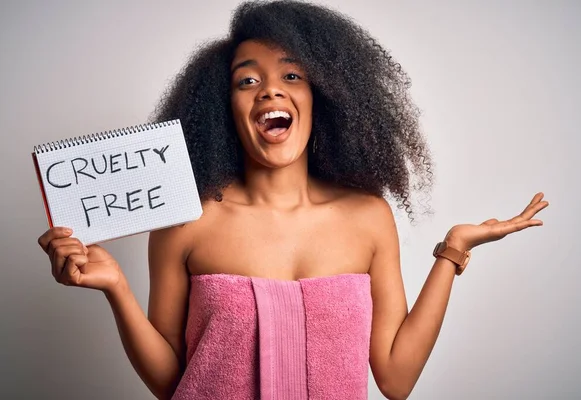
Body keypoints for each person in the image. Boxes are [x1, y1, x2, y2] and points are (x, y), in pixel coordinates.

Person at [37, 1, 549, 399]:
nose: (269, 91)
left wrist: (454, 250)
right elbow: (174, 383)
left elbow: (395, 378)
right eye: (247, 80)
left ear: (322, 96)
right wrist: (117, 290)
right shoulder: (185, 220)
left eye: (291, 75)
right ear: (224, 107)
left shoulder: (368, 216)